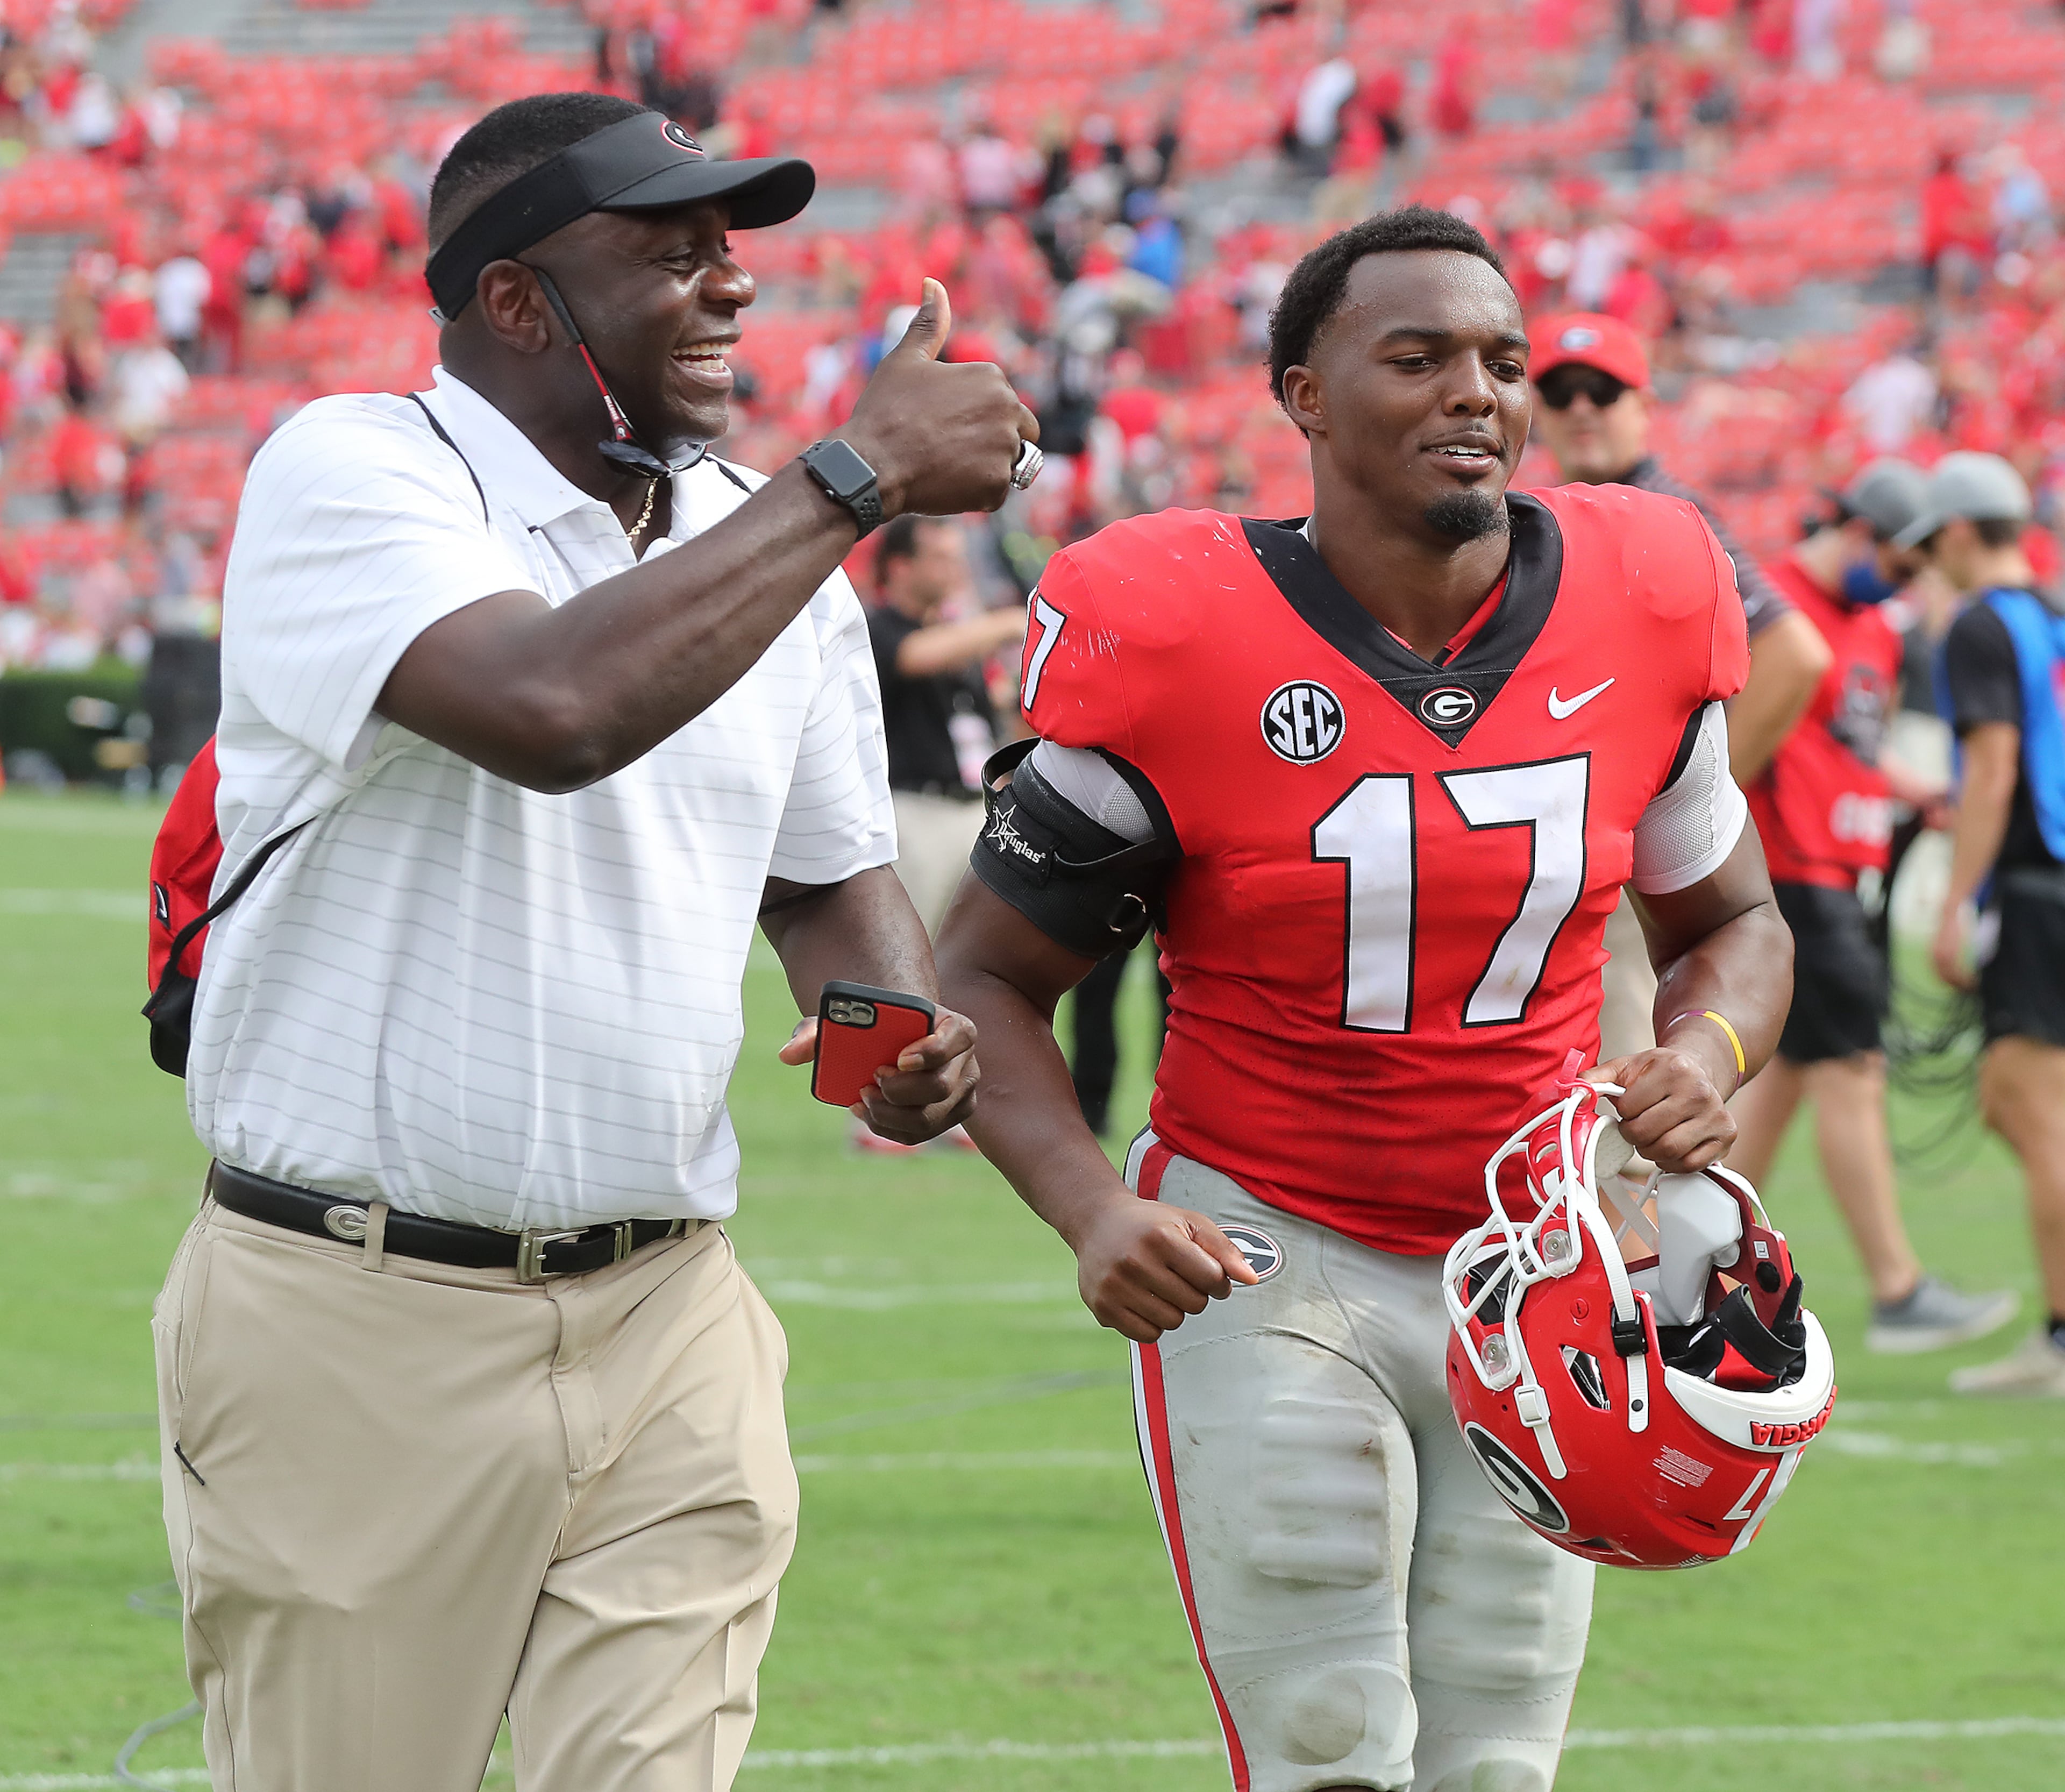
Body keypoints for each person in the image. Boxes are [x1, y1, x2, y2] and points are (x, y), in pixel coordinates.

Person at [156, 92, 1037, 1792]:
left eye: (733, 256)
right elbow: (550, 706)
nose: (729, 289)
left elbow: (825, 881)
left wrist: (890, 1049)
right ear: (514, 300)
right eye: (670, 253)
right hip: (356, 1313)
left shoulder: (762, 543)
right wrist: (849, 476)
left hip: (665, 1313)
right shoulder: (350, 469)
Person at [937, 207, 1794, 1792]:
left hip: (1532, 1258)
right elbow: (982, 973)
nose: (1473, 391)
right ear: (1303, 396)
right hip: (1264, 1243)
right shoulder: (1180, 631)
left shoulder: (1637, 595)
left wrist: (1703, 1050)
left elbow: (1732, 918)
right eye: (1415, 357)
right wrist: (1086, 1209)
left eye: (1498, 360)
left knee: (1495, 1764)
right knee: (1330, 1748)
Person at [1727, 459, 2019, 1351]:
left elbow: (1852, 750)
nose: (1906, 581)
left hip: (1845, 872)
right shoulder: (1774, 616)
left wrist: (1915, 796)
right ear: (1850, 528)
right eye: (1898, 562)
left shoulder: (1878, 634)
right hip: (1791, 873)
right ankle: (1897, 1288)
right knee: (1854, 1066)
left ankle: (1676, 1266)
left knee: (1776, 1087)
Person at [1527, 311, 1831, 1068]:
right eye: (1561, 392)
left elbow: (1797, 653)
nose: (1583, 408)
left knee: (1616, 1107)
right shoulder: (1576, 515)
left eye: (1604, 389)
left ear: (1644, 404)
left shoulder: (1663, 514)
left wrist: (1684, 797)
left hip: (1629, 849)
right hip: (1586, 837)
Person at [1913, 453, 2065, 1396]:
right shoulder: (2049, 614)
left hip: (2032, 890)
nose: (1933, 559)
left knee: (2028, 1108)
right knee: (2031, 1105)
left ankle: (2059, 1338)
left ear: (1963, 531)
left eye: (1934, 541)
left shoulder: (1978, 623)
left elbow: (1998, 766)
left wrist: (1957, 904)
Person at [867, 513, 1024, 932]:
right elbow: (914, 655)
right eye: (940, 557)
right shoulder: (877, 625)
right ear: (901, 566)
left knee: (974, 957)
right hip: (917, 810)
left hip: (976, 808)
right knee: (906, 947)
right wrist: (1005, 623)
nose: (955, 569)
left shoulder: (957, 633)